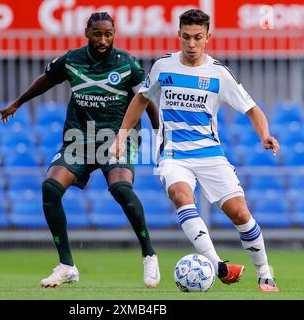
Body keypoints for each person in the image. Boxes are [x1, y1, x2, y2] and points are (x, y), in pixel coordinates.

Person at [110, 9, 279, 292]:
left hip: (210, 154)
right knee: (180, 195)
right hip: (173, 153)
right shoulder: (163, 67)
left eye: (197, 38)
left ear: (208, 38)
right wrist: (121, 134)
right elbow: (141, 99)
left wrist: (265, 135)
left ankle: (264, 271)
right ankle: (217, 265)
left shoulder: (218, 74)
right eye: (186, 37)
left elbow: (252, 109)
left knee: (240, 213)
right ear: (178, 35)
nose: (191, 44)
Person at [0, 12, 161, 288]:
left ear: (114, 33)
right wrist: (17, 103)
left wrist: (159, 135)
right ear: (87, 33)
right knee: (50, 187)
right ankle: (66, 265)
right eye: (98, 34)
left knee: (120, 188)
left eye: (108, 34)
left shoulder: (127, 64)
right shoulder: (72, 60)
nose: (103, 40)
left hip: (118, 136)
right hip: (79, 138)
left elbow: (147, 101)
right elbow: (46, 79)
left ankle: (149, 254)